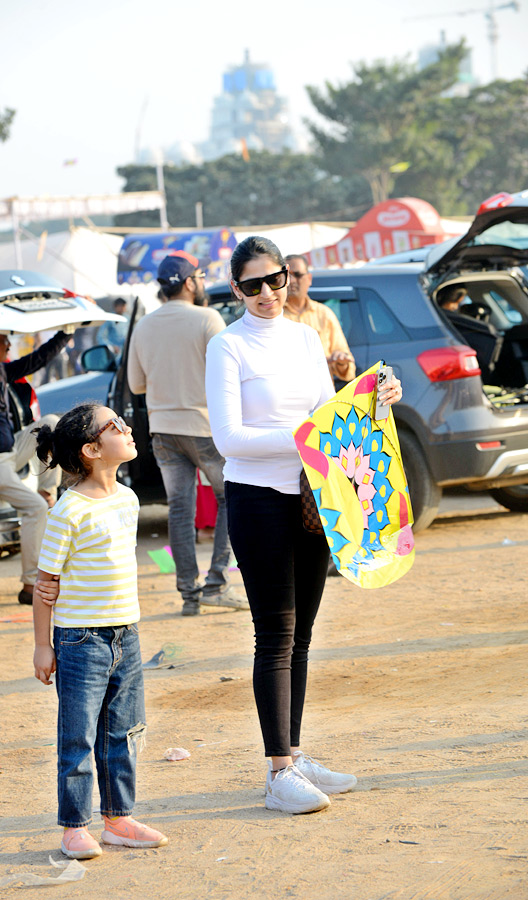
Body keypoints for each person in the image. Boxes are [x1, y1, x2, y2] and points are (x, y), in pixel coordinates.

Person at [205, 236, 402, 814]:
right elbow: (229, 439)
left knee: (304, 635)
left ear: (289, 279)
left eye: (276, 279)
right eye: (252, 284)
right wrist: (302, 441)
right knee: (276, 633)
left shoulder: (306, 336)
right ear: (235, 289)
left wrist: (376, 400)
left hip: (315, 498)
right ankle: (278, 773)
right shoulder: (227, 346)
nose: (267, 293)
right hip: (257, 499)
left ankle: (292, 750)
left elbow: (330, 414)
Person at [32, 402, 168, 860]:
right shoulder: (67, 512)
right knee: (78, 737)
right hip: (79, 641)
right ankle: (74, 826)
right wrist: (41, 646)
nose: (127, 428)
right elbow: (45, 586)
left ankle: (118, 818)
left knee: (123, 731)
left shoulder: (128, 499)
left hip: (125, 637)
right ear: (91, 449)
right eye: (115, 426)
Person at [128, 251, 246, 616]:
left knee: (180, 510)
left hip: (163, 430)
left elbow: (135, 384)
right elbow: (231, 374)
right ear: (191, 282)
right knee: (230, 499)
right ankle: (215, 584)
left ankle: (188, 594)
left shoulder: (144, 326)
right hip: (204, 428)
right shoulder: (207, 318)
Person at [0, 323, 71, 605]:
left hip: (11, 449)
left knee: (50, 424)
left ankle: (47, 492)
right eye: (3, 341)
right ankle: (30, 585)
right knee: (34, 509)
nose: (9, 346)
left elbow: (35, 360)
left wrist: (66, 334)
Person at [283, 254, 356, 384]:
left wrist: (341, 362)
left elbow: (349, 371)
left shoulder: (324, 314)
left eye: (297, 275)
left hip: (323, 399)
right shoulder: (274, 316)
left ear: (309, 278)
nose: (292, 281)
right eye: (287, 276)